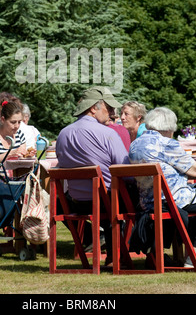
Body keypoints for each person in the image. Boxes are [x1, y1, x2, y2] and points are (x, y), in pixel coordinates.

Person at [129, 106, 196, 270]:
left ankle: (184, 254)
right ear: (169, 128)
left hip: (147, 202)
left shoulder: (135, 144)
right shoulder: (167, 144)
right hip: (171, 199)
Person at [56, 86, 134, 266]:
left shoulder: (63, 134)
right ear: (93, 108)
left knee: (110, 198)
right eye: (109, 107)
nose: (113, 113)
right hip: (108, 200)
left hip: (78, 203)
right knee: (146, 198)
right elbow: (125, 171)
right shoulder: (108, 133)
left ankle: (115, 255)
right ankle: (150, 253)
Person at [0, 100, 27, 182]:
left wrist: (28, 155)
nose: (17, 126)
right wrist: (10, 153)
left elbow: (22, 159)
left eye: (19, 122)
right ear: (3, 119)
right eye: (13, 122)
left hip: (16, 184)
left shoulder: (20, 135)